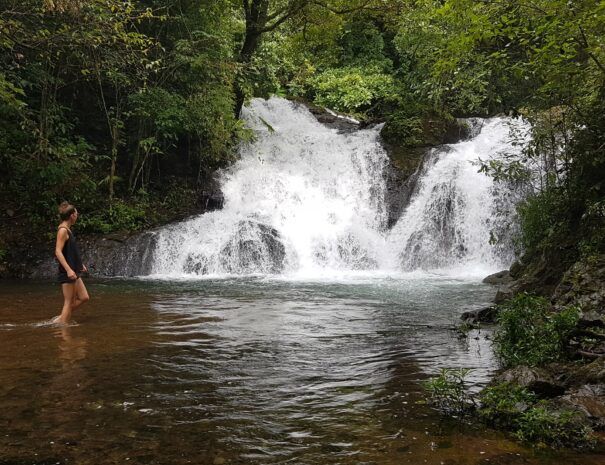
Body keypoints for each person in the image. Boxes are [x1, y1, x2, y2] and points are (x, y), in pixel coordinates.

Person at [53, 202, 89, 324]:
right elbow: (58, 252)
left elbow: (70, 251)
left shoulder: (68, 229)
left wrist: (80, 265)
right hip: (68, 271)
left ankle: (61, 318)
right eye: (77, 213)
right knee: (69, 302)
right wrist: (68, 270)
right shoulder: (62, 230)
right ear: (72, 215)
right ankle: (63, 330)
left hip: (74, 269)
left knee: (84, 297)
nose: (77, 216)